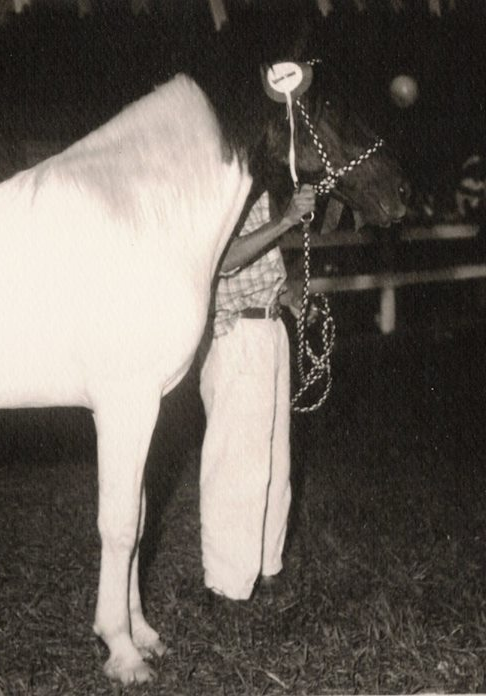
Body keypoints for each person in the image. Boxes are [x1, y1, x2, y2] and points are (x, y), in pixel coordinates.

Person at [199, 183, 316, 601]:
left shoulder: (264, 191)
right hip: (235, 336)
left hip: (270, 329)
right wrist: (285, 220)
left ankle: (267, 565)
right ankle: (226, 582)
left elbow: (263, 269)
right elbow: (226, 259)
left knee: (274, 459)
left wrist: (288, 296)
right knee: (235, 463)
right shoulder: (223, 191)